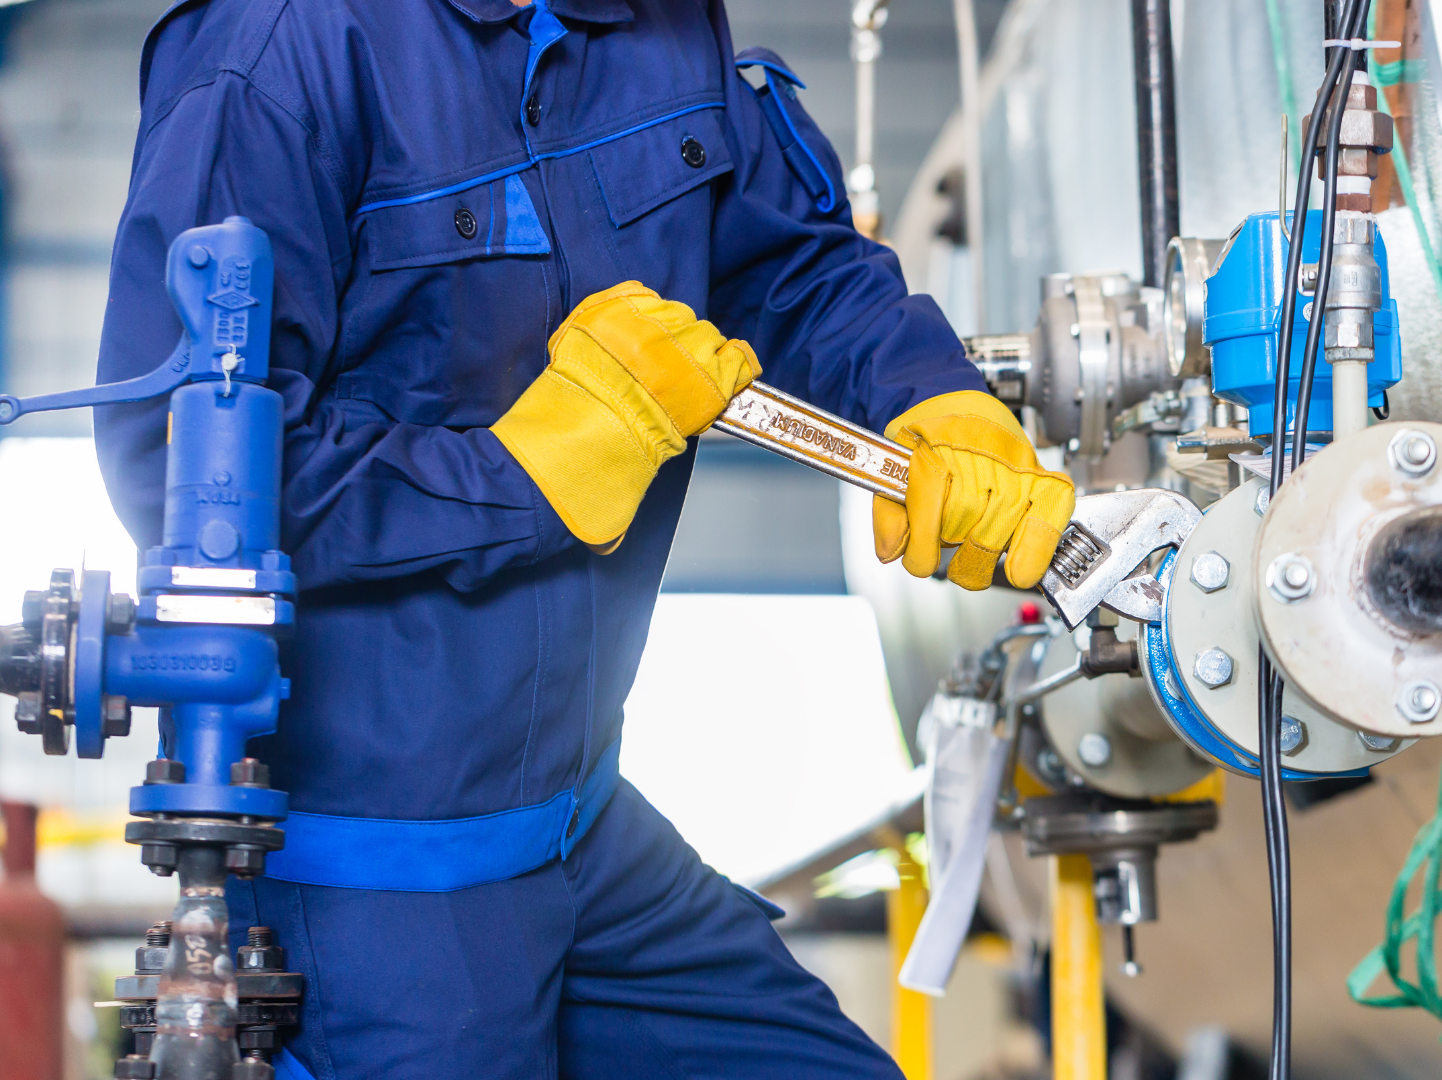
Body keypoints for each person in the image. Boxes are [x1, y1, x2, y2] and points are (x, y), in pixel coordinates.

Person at [92, 1, 1074, 1077]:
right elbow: (175, 464)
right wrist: (520, 477)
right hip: (373, 888)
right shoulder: (277, 53)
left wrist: (929, 395)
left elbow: (787, 266)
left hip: (586, 829)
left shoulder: (660, 23)